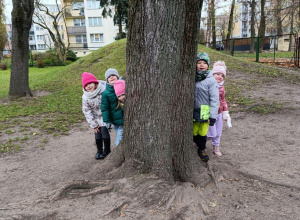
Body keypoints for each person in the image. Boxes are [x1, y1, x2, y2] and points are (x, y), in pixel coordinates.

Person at [193, 52, 219, 162]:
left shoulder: (211, 80)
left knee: (203, 131)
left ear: (208, 65)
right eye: (199, 63)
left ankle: (202, 149)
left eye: (204, 63)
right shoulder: (192, 77)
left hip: (205, 110)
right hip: (193, 109)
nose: (202, 65)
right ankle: (193, 145)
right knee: (193, 130)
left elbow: (214, 99)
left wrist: (213, 116)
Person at [82, 72, 111, 160]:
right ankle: (99, 151)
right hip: (95, 117)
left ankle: (107, 150)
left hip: (105, 116)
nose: (88, 86)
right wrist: (94, 125)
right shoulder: (85, 97)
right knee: (97, 133)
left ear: (95, 83)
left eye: (90, 83)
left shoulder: (103, 91)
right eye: (86, 85)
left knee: (104, 132)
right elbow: (87, 111)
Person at [207, 61, 232, 157]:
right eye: (217, 74)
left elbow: (223, 100)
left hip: (220, 113)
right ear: (212, 74)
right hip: (210, 113)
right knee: (211, 133)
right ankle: (199, 140)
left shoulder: (222, 87)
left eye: (222, 75)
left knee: (218, 132)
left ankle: (216, 146)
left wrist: (226, 112)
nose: (220, 76)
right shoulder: (208, 84)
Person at [101, 68, 124, 147]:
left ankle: (118, 148)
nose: (111, 77)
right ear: (107, 80)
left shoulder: (123, 85)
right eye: (109, 76)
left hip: (122, 118)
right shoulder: (106, 93)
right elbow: (105, 108)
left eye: (113, 75)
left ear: (117, 76)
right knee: (119, 133)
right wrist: (107, 121)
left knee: (120, 136)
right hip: (114, 120)